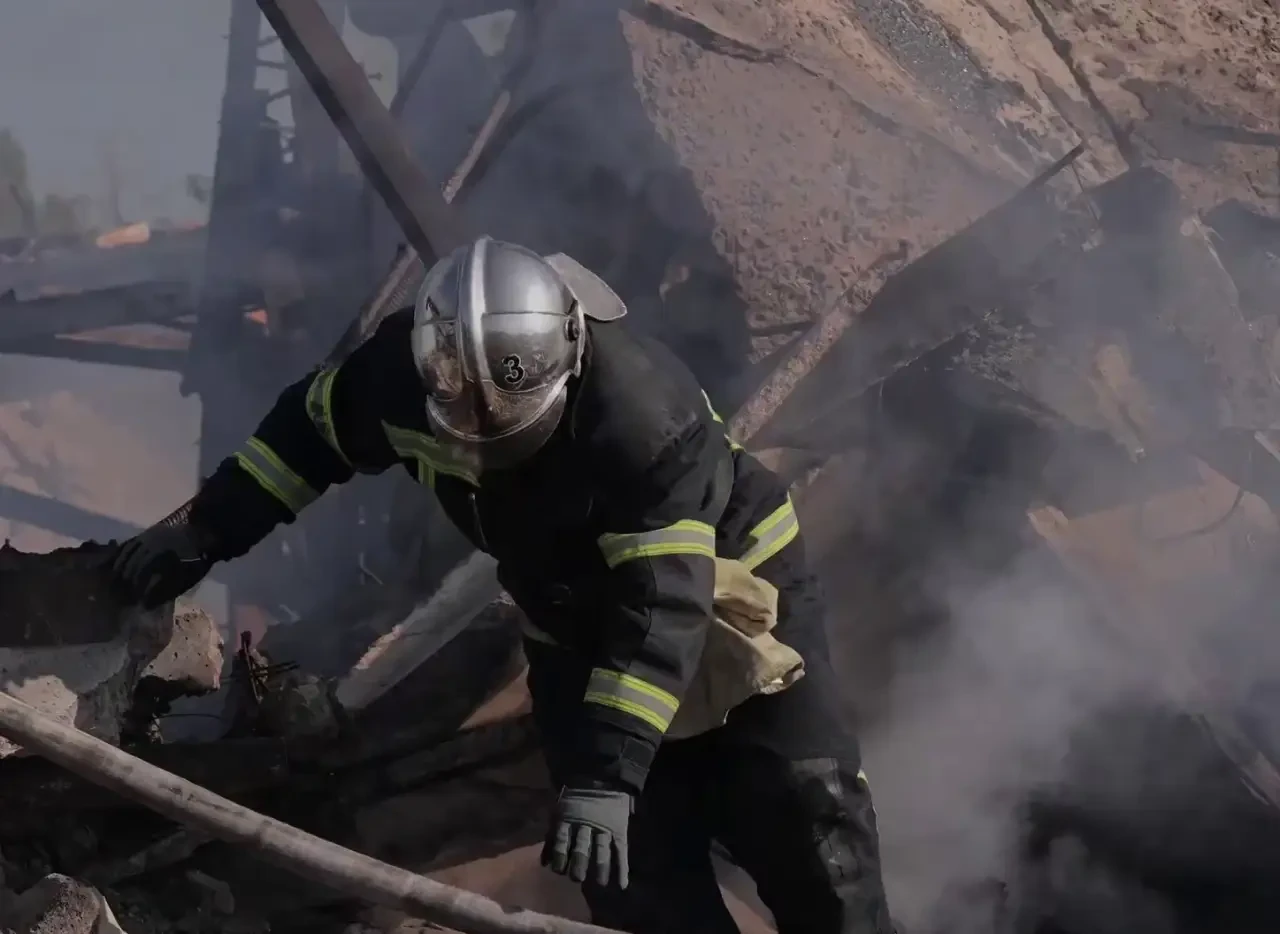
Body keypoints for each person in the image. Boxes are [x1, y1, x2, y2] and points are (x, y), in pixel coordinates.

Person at [114, 237, 895, 934]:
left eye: (512, 426)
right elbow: (303, 441)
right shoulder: (397, 376)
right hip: (573, 620)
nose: (490, 442)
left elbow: (661, 610)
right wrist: (203, 531)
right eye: (468, 423)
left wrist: (607, 775)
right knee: (630, 876)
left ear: (568, 356)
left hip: (730, 599)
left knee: (810, 831)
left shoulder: (644, 419)